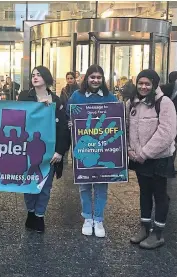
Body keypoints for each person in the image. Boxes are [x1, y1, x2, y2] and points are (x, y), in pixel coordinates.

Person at [66, 64, 118, 238]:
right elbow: (68, 115)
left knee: (102, 186)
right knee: (85, 186)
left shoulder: (111, 98)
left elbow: (117, 121)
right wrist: (71, 124)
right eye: (92, 77)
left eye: (99, 77)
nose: (95, 80)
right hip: (84, 148)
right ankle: (87, 217)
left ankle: (99, 219)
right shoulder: (77, 96)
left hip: (104, 149)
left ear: (103, 79)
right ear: (86, 78)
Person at [127, 69, 176, 250]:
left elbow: (167, 133)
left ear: (154, 84)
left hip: (158, 158)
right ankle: (144, 227)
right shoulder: (131, 103)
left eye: (147, 84)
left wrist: (145, 152)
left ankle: (158, 233)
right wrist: (129, 149)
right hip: (139, 158)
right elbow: (125, 128)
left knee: (160, 194)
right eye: (140, 83)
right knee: (144, 192)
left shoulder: (164, 103)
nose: (143, 87)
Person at [18, 66, 70, 233]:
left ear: (46, 78)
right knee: (29, 184)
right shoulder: (25, 96)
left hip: (49, 152)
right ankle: (31, 212)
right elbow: (18, 118)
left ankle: (40, 215)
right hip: (28, 150)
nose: (35, 77)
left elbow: (63, 128)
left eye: (39, 75)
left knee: (45, 186)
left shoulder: (56, 99)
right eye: (33, 75)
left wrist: (60, 151)